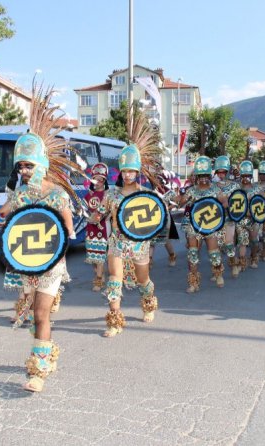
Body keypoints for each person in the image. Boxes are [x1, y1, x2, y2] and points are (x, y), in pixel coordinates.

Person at [0, 85, 81, 392]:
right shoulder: (19, 194)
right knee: (30, 311)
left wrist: (66, 240)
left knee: (40, 314)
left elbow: (66, 222)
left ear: (41, 164)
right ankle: (43, 349)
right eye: (21, 165)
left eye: (29, 165)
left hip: (50, 261)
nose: (24, 170)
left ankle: (38, 368)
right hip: (26, 261)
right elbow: (2, 216)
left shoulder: (56, 194)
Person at [90, 107, 163, 337]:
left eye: (132, 171)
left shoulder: (145, 194)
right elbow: (99, 214)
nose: (129, 175)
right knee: (114, 280)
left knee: (144, 280)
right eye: (125, 171)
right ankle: (114, 320)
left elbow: (155, 220)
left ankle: (149, 302)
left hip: (139, 244)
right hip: (117, 243)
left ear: (138, 171)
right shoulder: (111, 194)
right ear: (121, 172)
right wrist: (93, 216)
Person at [175, 156, 227, 292]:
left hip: (211, 226)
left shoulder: (216, 189)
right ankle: (193, 283)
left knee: (214, 254)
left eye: (205, 175)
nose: (203, 178)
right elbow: (181, 202)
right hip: (194, 226)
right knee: (192, 253)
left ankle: (218, 273)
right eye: (200, 175)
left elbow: (224, 203)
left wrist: (221, 208)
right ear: (196, 176)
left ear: (209, 175)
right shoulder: (191, 190)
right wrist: (175, 197)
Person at [84, 163, 109, 291]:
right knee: (92, 256)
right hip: (90, 228)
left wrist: (100, 216)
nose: (98, 182)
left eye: (101, 179)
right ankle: (100, 273)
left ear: (104, 180)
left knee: (100, 254)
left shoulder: (107, 195)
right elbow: (84, 209)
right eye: (96, 179)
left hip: (102, 228)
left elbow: (108, 210)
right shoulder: (89, 195)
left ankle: (98, 281)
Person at [214, 155, 239, 277]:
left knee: (229, 243)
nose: (221, 174)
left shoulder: (235, 186)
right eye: (219, 172)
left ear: (227, 171)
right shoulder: (213, 186)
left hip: (229, 218)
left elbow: (239, 202)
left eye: (223, 171)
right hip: (216, 220)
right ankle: (218, 271)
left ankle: (233, 265)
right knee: (216, 246)